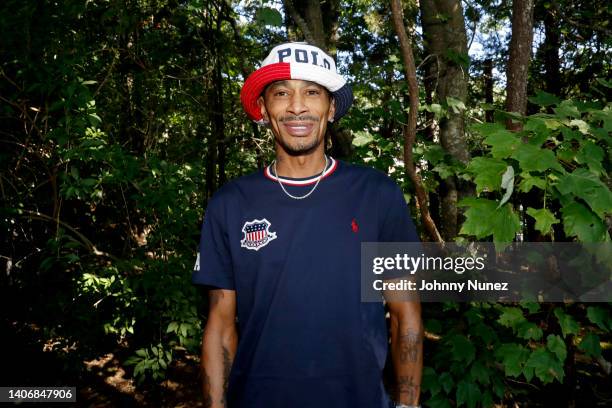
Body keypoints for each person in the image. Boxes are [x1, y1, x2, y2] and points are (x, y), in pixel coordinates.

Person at [193, 42, 423, 408]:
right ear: (264, 110)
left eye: (312, 92)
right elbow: (220, 327)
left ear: (331, 108)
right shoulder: (230, 204)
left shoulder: (377, 194)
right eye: (282, 93)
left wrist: (408, 405)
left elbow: (404, 311)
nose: (297, 106)